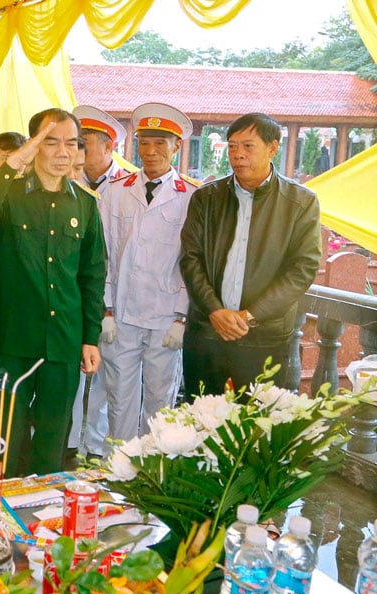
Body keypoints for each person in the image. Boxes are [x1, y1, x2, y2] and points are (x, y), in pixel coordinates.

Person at [0, 108, 106, 476]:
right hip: (9, 340)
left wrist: (90, 337)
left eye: (72, 144)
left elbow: (92, 275)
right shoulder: (7, 194)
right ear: (33, 146)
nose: (63, 152)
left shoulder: (86, 204)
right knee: (1, 441)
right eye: (51, 142)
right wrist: (12, 163)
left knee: (52, 441)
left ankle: (44, 521)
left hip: (62, 341)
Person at [180, 112, 321, 395]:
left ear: (272, 147)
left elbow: (302, 269)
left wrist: (250, 315)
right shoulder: (206, 198)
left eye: (248, 146)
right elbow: (190, 258)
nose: (238, 155)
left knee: (259, 427)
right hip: (207, 333)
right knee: (200, 424)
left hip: (264, 338)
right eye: (232, 147)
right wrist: (215, 311)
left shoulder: (299, 202)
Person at [99, 103, 198, 441]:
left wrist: (182, 317)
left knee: (161, 401)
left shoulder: (191, 197)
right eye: (144, 143)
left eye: (160, 143)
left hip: (165, 317)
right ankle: (117, 469)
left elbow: (193, 261)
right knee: (119, 398)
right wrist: (106, 308)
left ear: (176, 146)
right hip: (122, 314)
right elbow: (105, 254)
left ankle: (154, 471)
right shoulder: (115, 192)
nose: (151, 152)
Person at [65, 106, 131, 461]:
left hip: (117, 302)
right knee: (70, 377)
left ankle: (98, 448)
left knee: (108, 380)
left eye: (85, 144)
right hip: (71, 297)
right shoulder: (64, 184)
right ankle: (71, 442)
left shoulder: (126, 189)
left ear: (109, 148)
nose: (78, 151)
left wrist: (108, 304)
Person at [73, 105, 131, 190]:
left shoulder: (129, 183)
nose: (77, 148)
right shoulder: (68, 179)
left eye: (83, 142)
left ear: (107, 147)